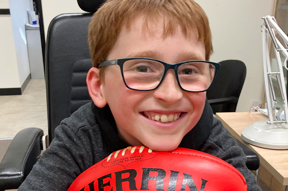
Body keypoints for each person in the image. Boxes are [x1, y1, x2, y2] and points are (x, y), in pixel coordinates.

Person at [19, 0, 261, 190]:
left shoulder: (211, 138)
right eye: (143, 69)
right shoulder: (81, 139)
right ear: (98, 86)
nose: (171, 94)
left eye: (188, 70)